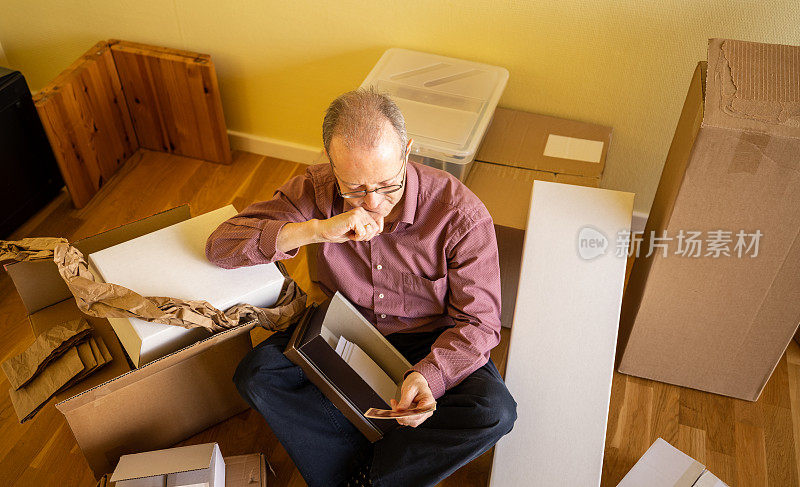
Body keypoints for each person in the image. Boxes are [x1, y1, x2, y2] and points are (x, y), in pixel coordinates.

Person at [205, 88, 516, 487]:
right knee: (257, 374)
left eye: (389, 185)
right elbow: (221, 246)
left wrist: (431, 377)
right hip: (342, 329)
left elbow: (480, 324)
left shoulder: (461, 215)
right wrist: (314, 230)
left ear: (407, 151)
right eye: (353, 188)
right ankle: (379, 469)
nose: (373, 203)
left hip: (430, 338)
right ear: (330, 164)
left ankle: (368, 478)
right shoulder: (314, 191)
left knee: (494, 411)